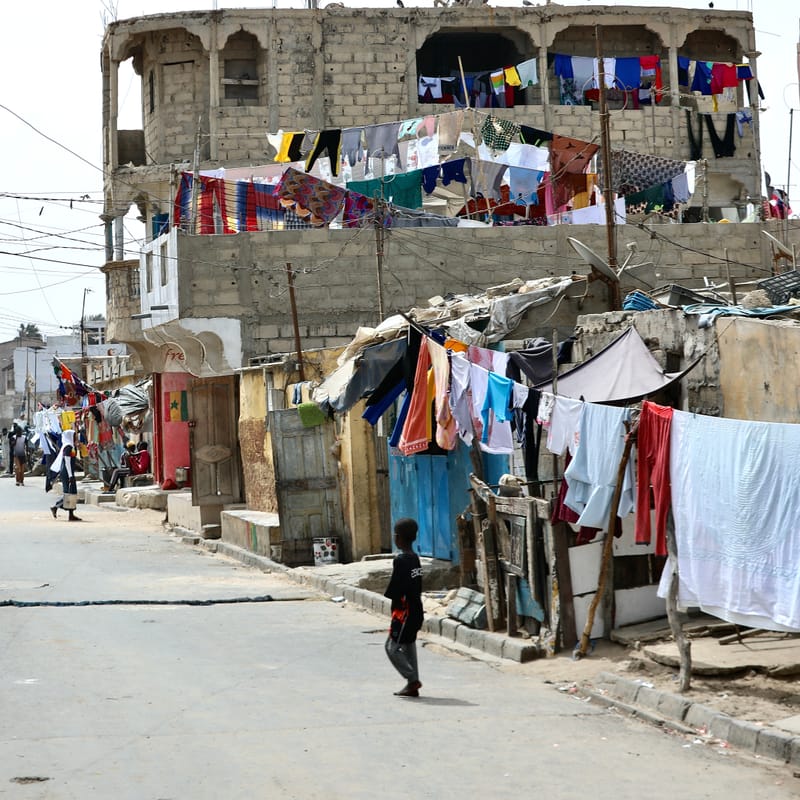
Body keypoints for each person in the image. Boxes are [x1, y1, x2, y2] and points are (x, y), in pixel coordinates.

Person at [384, 517, 424, 698]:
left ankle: (412, 678)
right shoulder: (415, 558)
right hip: (416, 610)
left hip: (404, 613)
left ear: (398, 537)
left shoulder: (401, 561)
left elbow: (395, 589)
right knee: (409, 646)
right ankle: (412, 685)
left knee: (392, 647)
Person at [50, 429, 81, 522]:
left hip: (68, 472)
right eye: (74, 436)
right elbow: (67, 461)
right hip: (67, 472)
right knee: (69, 493)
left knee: (72, 493)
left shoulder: (70, 446)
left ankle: (71, 514)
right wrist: (71, 476)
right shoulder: (68, 447)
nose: (76, 438)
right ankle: (56, 506)